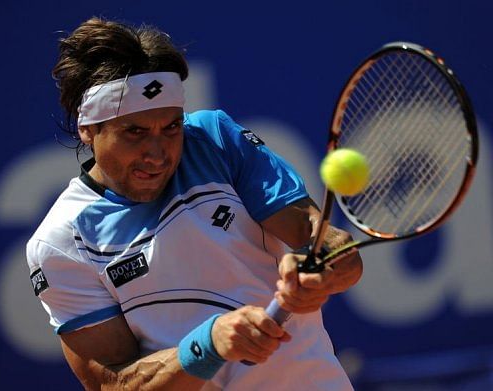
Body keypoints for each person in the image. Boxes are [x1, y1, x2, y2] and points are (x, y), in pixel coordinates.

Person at [27, 17, 363, 390]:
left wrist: (320, 269)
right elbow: (112, 384)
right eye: (134, 132)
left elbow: (329, 245)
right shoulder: (61, 241)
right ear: (88, 129)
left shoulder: (215, 139)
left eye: (171, 127)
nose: (157, 153)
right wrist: (208, 344)